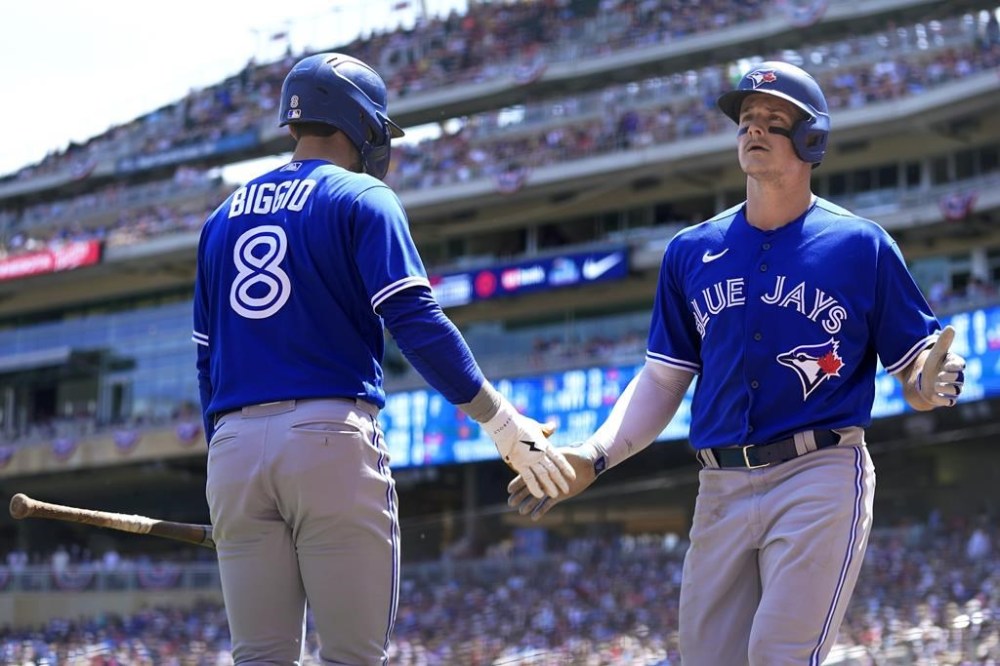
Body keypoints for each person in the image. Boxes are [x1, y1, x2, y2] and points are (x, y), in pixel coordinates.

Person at [508, 61, 966, 665]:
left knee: (778, 655)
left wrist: (932, 383)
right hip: (719, 485)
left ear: (811, 140)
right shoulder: (691, 251)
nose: (755, 129)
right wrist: (594, 455)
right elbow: (664, 378)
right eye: (747, 119)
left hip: (817, 473)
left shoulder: (861, 245)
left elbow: (917, 368)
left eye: (774, 120)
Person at [192, 52, 575, 665]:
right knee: (352, 659)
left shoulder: (219, 219)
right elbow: (414, 320)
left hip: (233, 447)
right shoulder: (362, 195)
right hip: (327, 437)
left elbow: (206, 363)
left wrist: (229, 479)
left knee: (259, 659)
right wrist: (502, 422)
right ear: (356, 122)